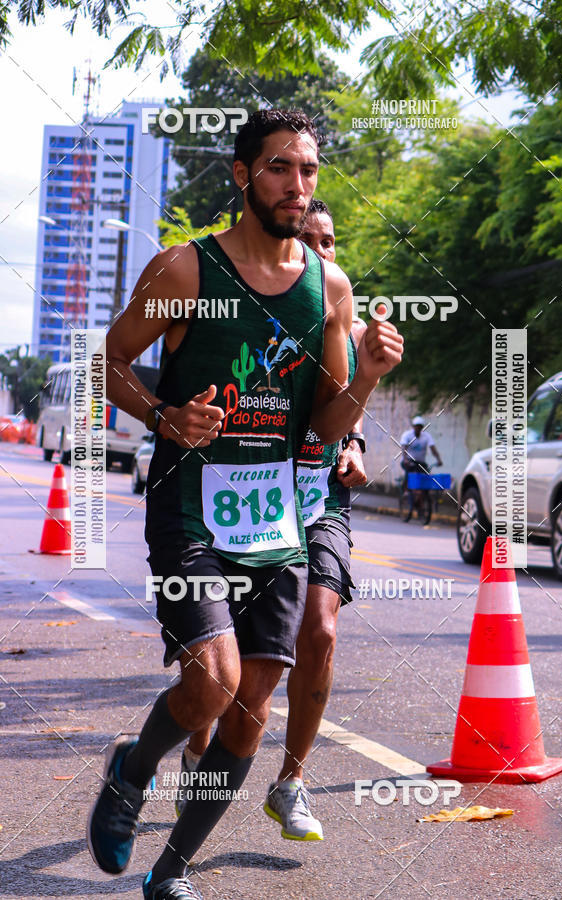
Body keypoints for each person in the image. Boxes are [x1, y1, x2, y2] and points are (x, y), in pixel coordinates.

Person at [86, 108, 404, 900]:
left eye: (308, 171)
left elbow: (325, 427)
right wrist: (165, 416)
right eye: (279, 168)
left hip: (275, 517)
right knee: (212, 684)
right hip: (191, 505)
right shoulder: (185, 271)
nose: (297, 186)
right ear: (242, 175)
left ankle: (173, 869)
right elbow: (111, 365)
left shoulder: (329, 286)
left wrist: (364, 375)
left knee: (249, 706)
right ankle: (132, 770)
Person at [175, 198, 368, 843]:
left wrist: (356, 447)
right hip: (239, 498)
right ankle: (197, 752)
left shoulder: (344, 316)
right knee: (216, 665)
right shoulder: (250, 309)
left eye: (330, 241)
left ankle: (290, 783)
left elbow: (344, 413)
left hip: (314, 504)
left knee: (320, 630)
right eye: (308, 240)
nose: (319, 253)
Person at [399, 416, 443, 521]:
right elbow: (404, 448)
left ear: (422, 427)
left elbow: (433, 449)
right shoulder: (407, 435)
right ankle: (406, 491)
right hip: (409, 461)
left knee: (425, 480)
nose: (418, 428)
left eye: (420, 427)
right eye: (416, 426)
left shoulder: (426, 436)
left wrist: (438, 459)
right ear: (413, 427)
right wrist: (405, 459)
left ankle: (421, 502)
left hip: (421, 463)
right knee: (410, 474)